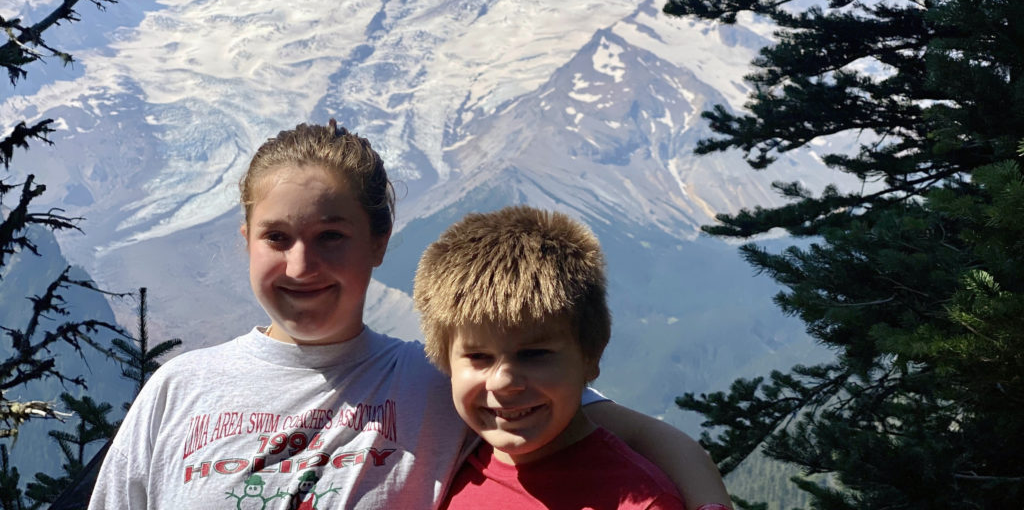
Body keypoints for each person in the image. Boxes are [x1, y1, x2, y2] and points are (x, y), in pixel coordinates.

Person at [87, 121, 731, 509]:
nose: (302, 264)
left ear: (379, 241)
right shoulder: (178, 390)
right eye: (276, 237)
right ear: (245, 239)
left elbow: (642, 436)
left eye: (332, 235)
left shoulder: (440, 380)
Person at [414, 205, 685, 509]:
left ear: (591, 354)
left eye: (533, 354)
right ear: (445, 362)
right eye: (478, 356)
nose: (503, 381)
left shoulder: (642, 503)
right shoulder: (431, 473)